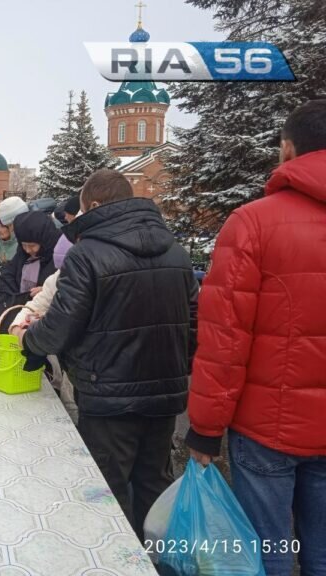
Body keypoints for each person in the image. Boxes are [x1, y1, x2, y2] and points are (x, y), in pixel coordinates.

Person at [14, 169, 198, 540]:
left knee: (107, 496)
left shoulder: (87, 255)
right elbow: (193, 324)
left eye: (81, 210)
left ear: (95, 205)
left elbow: (62, 325)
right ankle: (158, 560)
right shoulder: (176, 252)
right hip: (164, 396)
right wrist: (174, 366)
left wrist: (28, 342)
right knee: (154, 486)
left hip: (107, 396)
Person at [186, 100, 326, 576]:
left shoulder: (253, 223)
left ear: (287, 149)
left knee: (269, 551)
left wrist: (205, 427)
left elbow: (225, 339)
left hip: (268, 427)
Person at [0, 211, 62, 296]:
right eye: (24, 245)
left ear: (44, 242)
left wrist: (47, 290)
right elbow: (8, 272)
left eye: (32, 246)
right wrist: (16, 297)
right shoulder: (23, 253)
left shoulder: (59, 256)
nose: (28, 250)